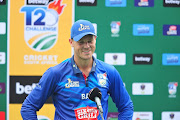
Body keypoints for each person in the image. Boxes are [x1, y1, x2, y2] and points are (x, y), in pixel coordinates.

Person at [21, 19, 134, 120]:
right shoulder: (56, 73)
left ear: (95, 40)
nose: (86, 46)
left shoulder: (109, 72)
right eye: (81, 42)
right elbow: (28, 108)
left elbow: (126, 107)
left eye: (89, 41)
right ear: (71, 42)